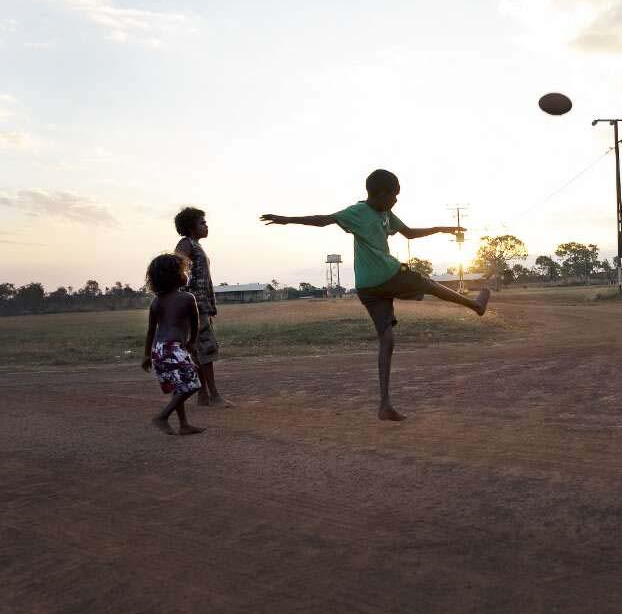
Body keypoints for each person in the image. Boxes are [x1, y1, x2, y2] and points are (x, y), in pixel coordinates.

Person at [260, 168, 490, 422]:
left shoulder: (386, 213)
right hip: (386, 275)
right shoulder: (357, 212)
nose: (395, 201)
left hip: (368, 288)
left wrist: (441, 228)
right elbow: (323, 219)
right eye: (393, 196)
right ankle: (475, 305)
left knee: (387, 341)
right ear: (380, 194)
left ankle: (384, 406)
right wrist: (287, 219)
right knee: (426, 283)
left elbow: (410, 233)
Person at [142, 253, 206, 435]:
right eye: (184, 271)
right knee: (193, 384)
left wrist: (147, 355)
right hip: (174, 348)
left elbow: (150, 331)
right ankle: (162, 416)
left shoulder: (156, 302)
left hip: (158, 349)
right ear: (175, 276)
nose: (187, 274)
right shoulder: (187, 298)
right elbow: (196, 324)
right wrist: (192, 343)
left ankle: (184, 425)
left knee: (179, 386)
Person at [174, 207, 231, 407]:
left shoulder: (195, 245)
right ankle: (213, 396)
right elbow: (176, 267)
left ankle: (203, 395)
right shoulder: (186, 244)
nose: (206, 226)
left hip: (198, 305)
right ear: (191, 227)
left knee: (198, 350)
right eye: (202, 223)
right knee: (206, 349)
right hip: (194, 307)